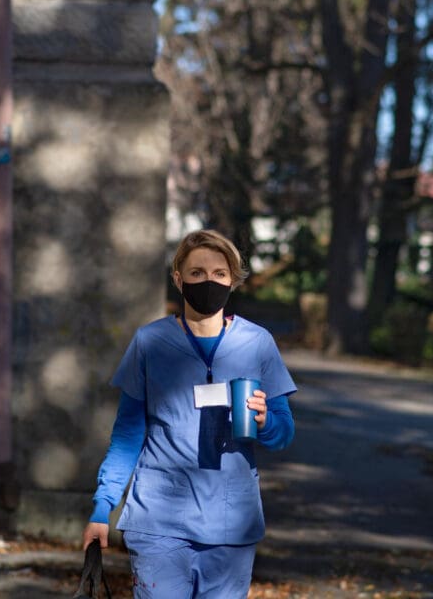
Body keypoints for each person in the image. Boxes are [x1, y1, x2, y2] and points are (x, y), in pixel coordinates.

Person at [81, 229, 297, 598]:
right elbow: (128, 435)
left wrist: (265, 422)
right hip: (158, 522)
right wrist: (103, 506)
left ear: (233, 281)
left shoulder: (257, 342)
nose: (208, 281)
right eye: (197, 273)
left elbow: (284, 432)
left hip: (232, 524)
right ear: (178, 279)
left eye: (219, 273)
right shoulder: (150, 341)